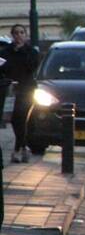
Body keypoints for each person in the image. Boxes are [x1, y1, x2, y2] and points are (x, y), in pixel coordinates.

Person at [0, 25, 40, 163]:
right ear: (12, 35)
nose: (19, 35)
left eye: (21, 33)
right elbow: (3, 68)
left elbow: (32, 66)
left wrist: (22, 51)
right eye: (16, 33)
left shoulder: (31, 52)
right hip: (11, 90)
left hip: (27, 89)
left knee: (22, 117)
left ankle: (18, 149)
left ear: (26, 35)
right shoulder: (6, 52)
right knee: (15, 119)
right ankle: (23, 147)